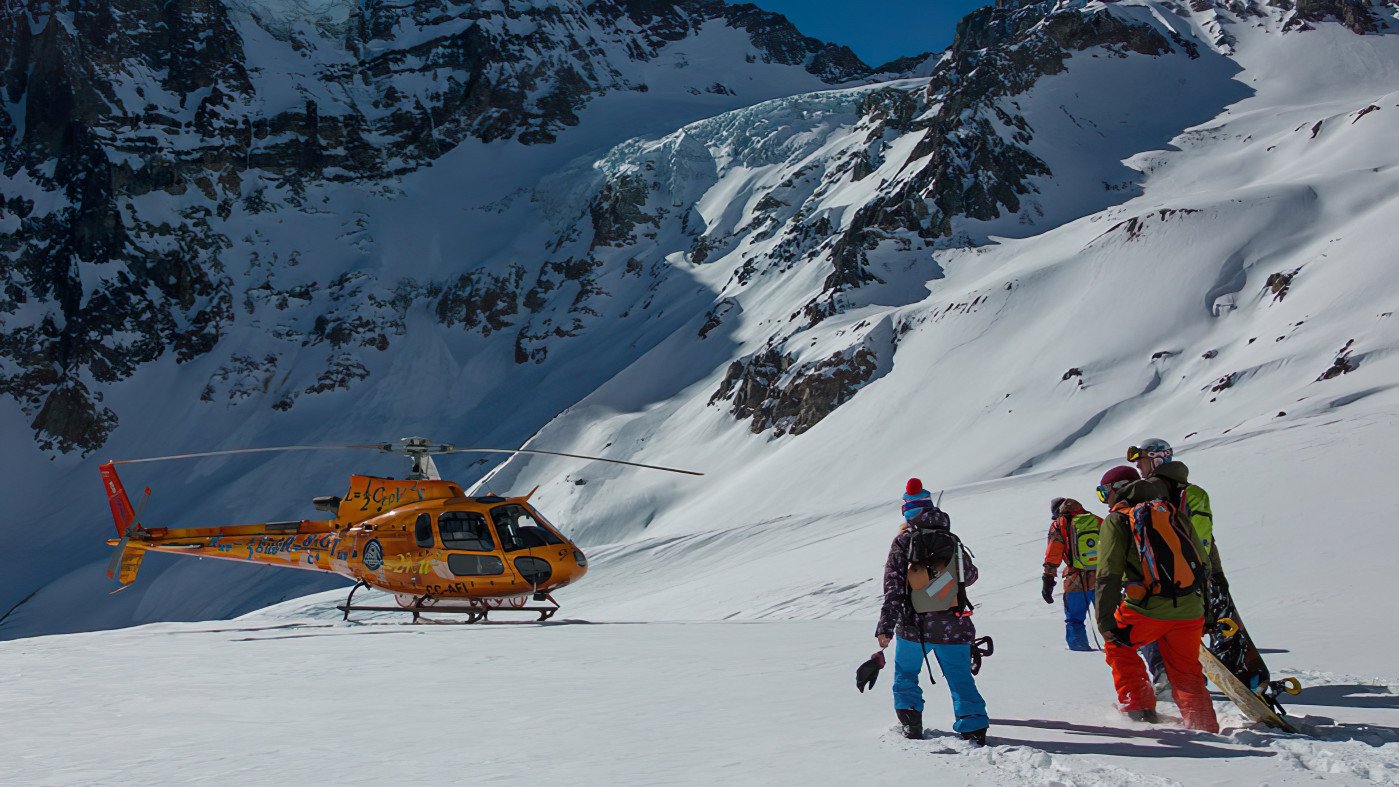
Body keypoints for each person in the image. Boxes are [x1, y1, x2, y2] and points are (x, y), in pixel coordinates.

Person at [1094, 465, 1219, 732]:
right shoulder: (1172, 512)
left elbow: (1108, 574)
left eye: (1105, 492)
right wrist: (1207, 611)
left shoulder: (1118, 520)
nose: (1106, 500)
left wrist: (1104, 621)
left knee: (1118, 646)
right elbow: (1203, 564)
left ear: (1118, 489)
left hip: (1147, 608)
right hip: (1190, 608)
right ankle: (1203, 724)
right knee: (1186, 670)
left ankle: (1138, 708)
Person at [876, 478, 990, 744]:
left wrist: (885, 627)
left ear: (907, 511)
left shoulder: (904, 541)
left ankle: (911, 723)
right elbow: (970, 576)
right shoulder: (951, 539)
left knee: (906, 673)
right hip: (953, 623)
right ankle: (973, 727)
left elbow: (893, 588)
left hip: (913, 626)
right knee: (960, 677)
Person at [1127, 438, 1222, 693]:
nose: (1139, 468)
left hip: (1174, 575)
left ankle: (1170, 678)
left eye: (1142, 462)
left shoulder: (1175, 493)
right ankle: (1183, 680)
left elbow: (1198, 539)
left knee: (1152, 624)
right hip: (1187, 574)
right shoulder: (1184, 492)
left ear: (1158, 459)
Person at [1041, 497, 1099, 652]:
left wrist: (1047, 578)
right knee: (1110, 616)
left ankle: (1079, 651)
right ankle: (1121, 646)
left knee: (1074, 619)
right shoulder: (1095, 519)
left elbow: (1053, 554)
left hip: (1075, 579)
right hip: (1101, 577)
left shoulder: (1059, 525)